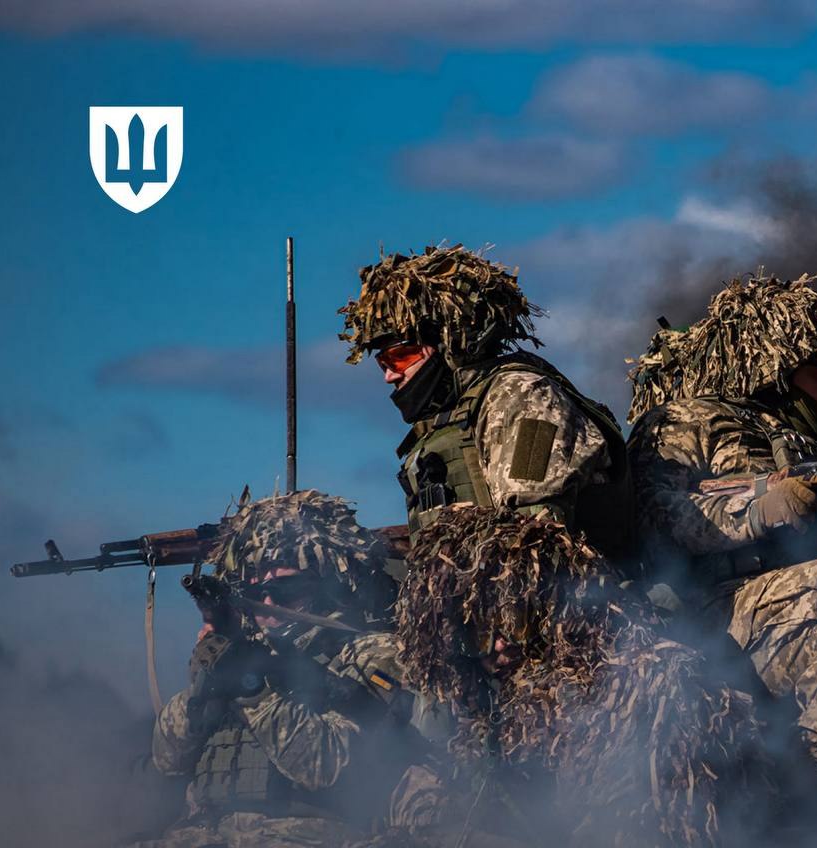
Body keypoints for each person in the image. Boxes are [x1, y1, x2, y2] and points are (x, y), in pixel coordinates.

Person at [626, 271, 817, 829]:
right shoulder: (687, 420)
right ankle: (813, 751)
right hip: (725, 609)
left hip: (808, 607)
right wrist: (759, 509)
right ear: (779, 367)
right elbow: (656, 515)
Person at [387, 505, 771, 848]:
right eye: (480, 637)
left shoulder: (627, 687)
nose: (501, 648)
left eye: (514, 623)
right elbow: (414, 794)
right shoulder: (466, 705)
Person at [137, 490, 443, 848]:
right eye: (257, 592)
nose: (268, 604)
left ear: (327, 586)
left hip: (306, 835)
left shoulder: (370, 654)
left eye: (286, 590)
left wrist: (253, 688)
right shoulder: (240, 647)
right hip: (201, 834)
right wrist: (206, 681)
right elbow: (167, 758)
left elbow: (327, 766)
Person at [338, 243, 631, 559]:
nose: (390, 376)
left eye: (401, 357)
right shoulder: (446, 423)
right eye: (383, 364)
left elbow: (534, 537)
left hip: (576, 602)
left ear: (450, 342)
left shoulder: (522, 397)